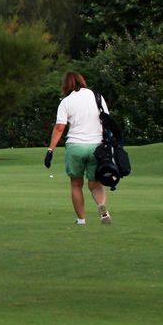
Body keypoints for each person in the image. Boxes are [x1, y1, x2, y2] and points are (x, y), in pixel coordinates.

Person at [44, 71, 111, 225]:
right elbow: (107, 120)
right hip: (97, 146)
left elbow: (60, 128)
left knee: (76, 184)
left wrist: (50, 150)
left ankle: (81, 220)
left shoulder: (66, 102)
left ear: (66, 84)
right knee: (95, 183)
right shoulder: (97, 97)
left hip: (75, 146)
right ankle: (101, 206)